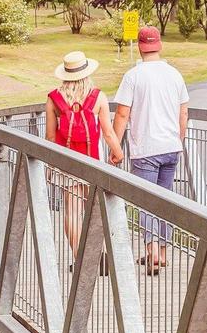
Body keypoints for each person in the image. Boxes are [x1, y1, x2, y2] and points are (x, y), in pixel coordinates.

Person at [112, 26, 189, 272]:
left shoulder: (133, 76)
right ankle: (165, 251)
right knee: (165, 199)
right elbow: (183, 111)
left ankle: (152, 252)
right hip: (170, 147)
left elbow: (122, 113)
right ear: (159, 45)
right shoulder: (175, 74)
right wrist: (179, 139)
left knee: (146, 202)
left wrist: (115, 146)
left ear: (141, 46)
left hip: (146, 149)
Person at [46, 51, 123, 255]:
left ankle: (79, 256)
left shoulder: (54, 98)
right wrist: (118, 152)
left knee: (72, 212)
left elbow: (51, 137)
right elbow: (107, 132)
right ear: (87, 73)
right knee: (99, 209)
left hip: (67, 163)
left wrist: (49, 165)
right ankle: (104, 252)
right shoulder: (98, 97)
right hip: (92, 162)